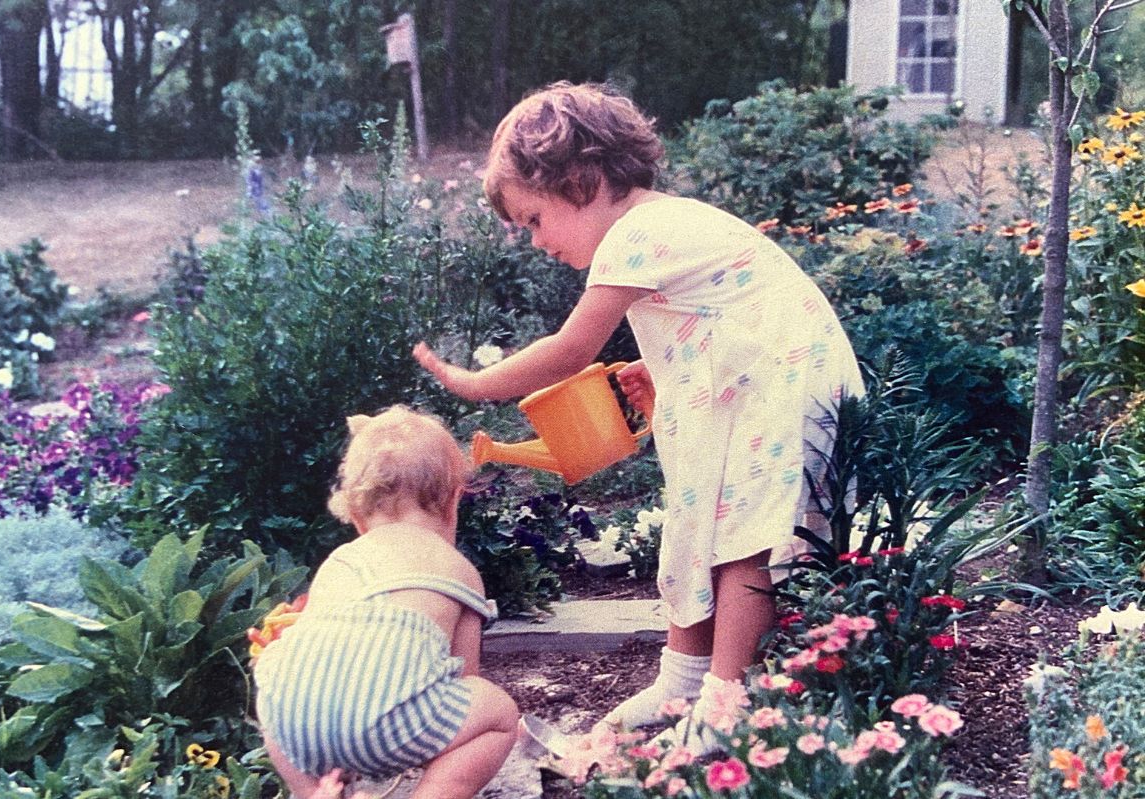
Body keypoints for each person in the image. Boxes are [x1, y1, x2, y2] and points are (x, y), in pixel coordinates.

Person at [413, 81, 863, 753]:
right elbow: (722, 308)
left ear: (581, 180)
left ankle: (727, 700)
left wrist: (478, 384)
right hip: (764, 378)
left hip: (784, 386)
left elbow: (570, 348)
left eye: (533, 219)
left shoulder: (636, 234)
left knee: (744, 540)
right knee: (702, 517)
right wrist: (669, 371)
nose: (534, 241)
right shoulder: (661, 225)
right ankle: (682, 678)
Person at [253, 406, 519, 799]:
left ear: (357, 516)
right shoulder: (458, 571)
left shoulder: (338, 562)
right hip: (388, 728)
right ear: (452, 504)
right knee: (496, 713)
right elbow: (465, 677)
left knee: (275, 685)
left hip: (299, 726)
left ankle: (313, 792)